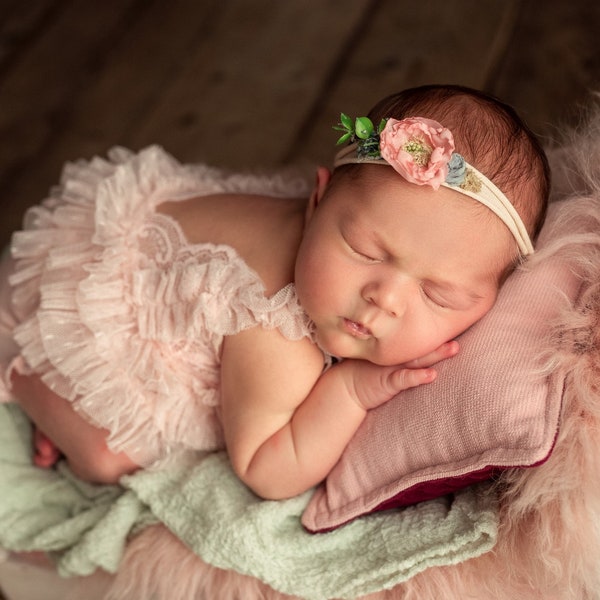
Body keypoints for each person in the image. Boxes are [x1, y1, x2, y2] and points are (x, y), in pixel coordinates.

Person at [0, 84, 550, 500]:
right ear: (318, 199)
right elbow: (266, 468)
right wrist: (351, 391)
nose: (384, 299)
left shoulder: (346, 237)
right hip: (84, 286)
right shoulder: (274, 328)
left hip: (152, 232)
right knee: (108, 455)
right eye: (365, 250)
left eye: (438, 294)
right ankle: (24, 368)